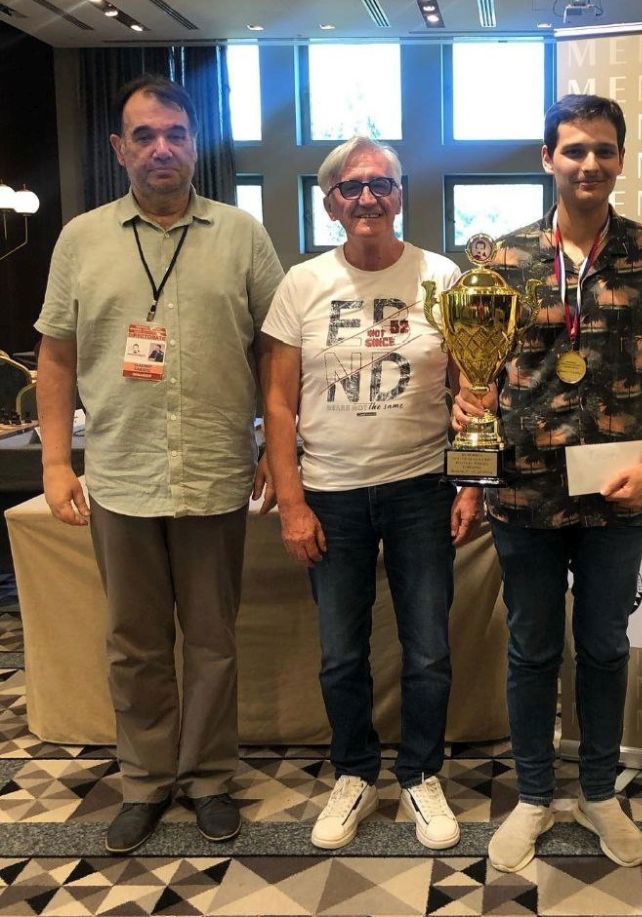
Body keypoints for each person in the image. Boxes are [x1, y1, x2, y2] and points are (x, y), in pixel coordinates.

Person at [35, 75, 283, 854]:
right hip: (121, 476)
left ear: (195, 144)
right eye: (143, 136)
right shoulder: (81, 240)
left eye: (175, 133)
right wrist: (54, 462)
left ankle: (208, 778)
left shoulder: (242, 235)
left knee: (212, 639)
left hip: (214, 469)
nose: (161, 148)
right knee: (134, 642)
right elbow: (55, 355)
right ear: (119, 149)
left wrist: (278, 452)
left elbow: (277, 352)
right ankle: (144, 781)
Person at [454, 95, 642, 872]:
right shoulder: (503, 259)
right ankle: (533, 794)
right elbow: (478, 373)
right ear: (547, 158)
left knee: (603, 646)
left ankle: (597, 792)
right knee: (530, 650)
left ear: (620, 158)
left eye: (603, 149)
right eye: (574, 149)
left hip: (619, 490)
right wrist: (467, 421)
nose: (590, 163)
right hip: (523, 491)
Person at [262, 136, 481, 852]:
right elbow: (278, 403)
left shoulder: (441, 277)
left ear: (400, 195)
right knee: (339, 653)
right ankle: (354, 773)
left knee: (428, 650)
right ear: (330, 204)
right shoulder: (302, 284)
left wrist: (471, 481)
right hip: (331, 492)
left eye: (380, 184)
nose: (367, 198)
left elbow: (473, 388)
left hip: (422, 486)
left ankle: (421, 774)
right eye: (351, 187)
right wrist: (293, 502)